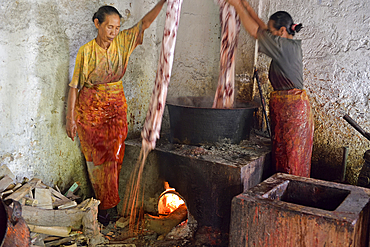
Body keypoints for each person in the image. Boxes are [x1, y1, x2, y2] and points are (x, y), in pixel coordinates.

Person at [66, 0, 167, 225]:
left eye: (117, 27)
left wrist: (163, 2)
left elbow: (145, 24)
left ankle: (108, 204)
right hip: (91, 109)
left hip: (116, 105)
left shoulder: (123, 42)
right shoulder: (86, 51)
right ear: (97, 24)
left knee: (116, 155)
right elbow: (74, 87)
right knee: (97, 159)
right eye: (110, 27)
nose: (114, 32)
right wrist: (70, 119)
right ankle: (104, 208)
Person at [227, 0, 314, 177]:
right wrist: (248, 8)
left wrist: (236, 6)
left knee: (290, 160)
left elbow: (255, 32)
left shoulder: (283, 46)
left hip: (292, 112)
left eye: (273, 31)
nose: (271, 35)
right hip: (292, 109)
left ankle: (290, 196)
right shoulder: (288, 44)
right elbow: (264, 31)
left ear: (282, 31)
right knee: (290, 156)